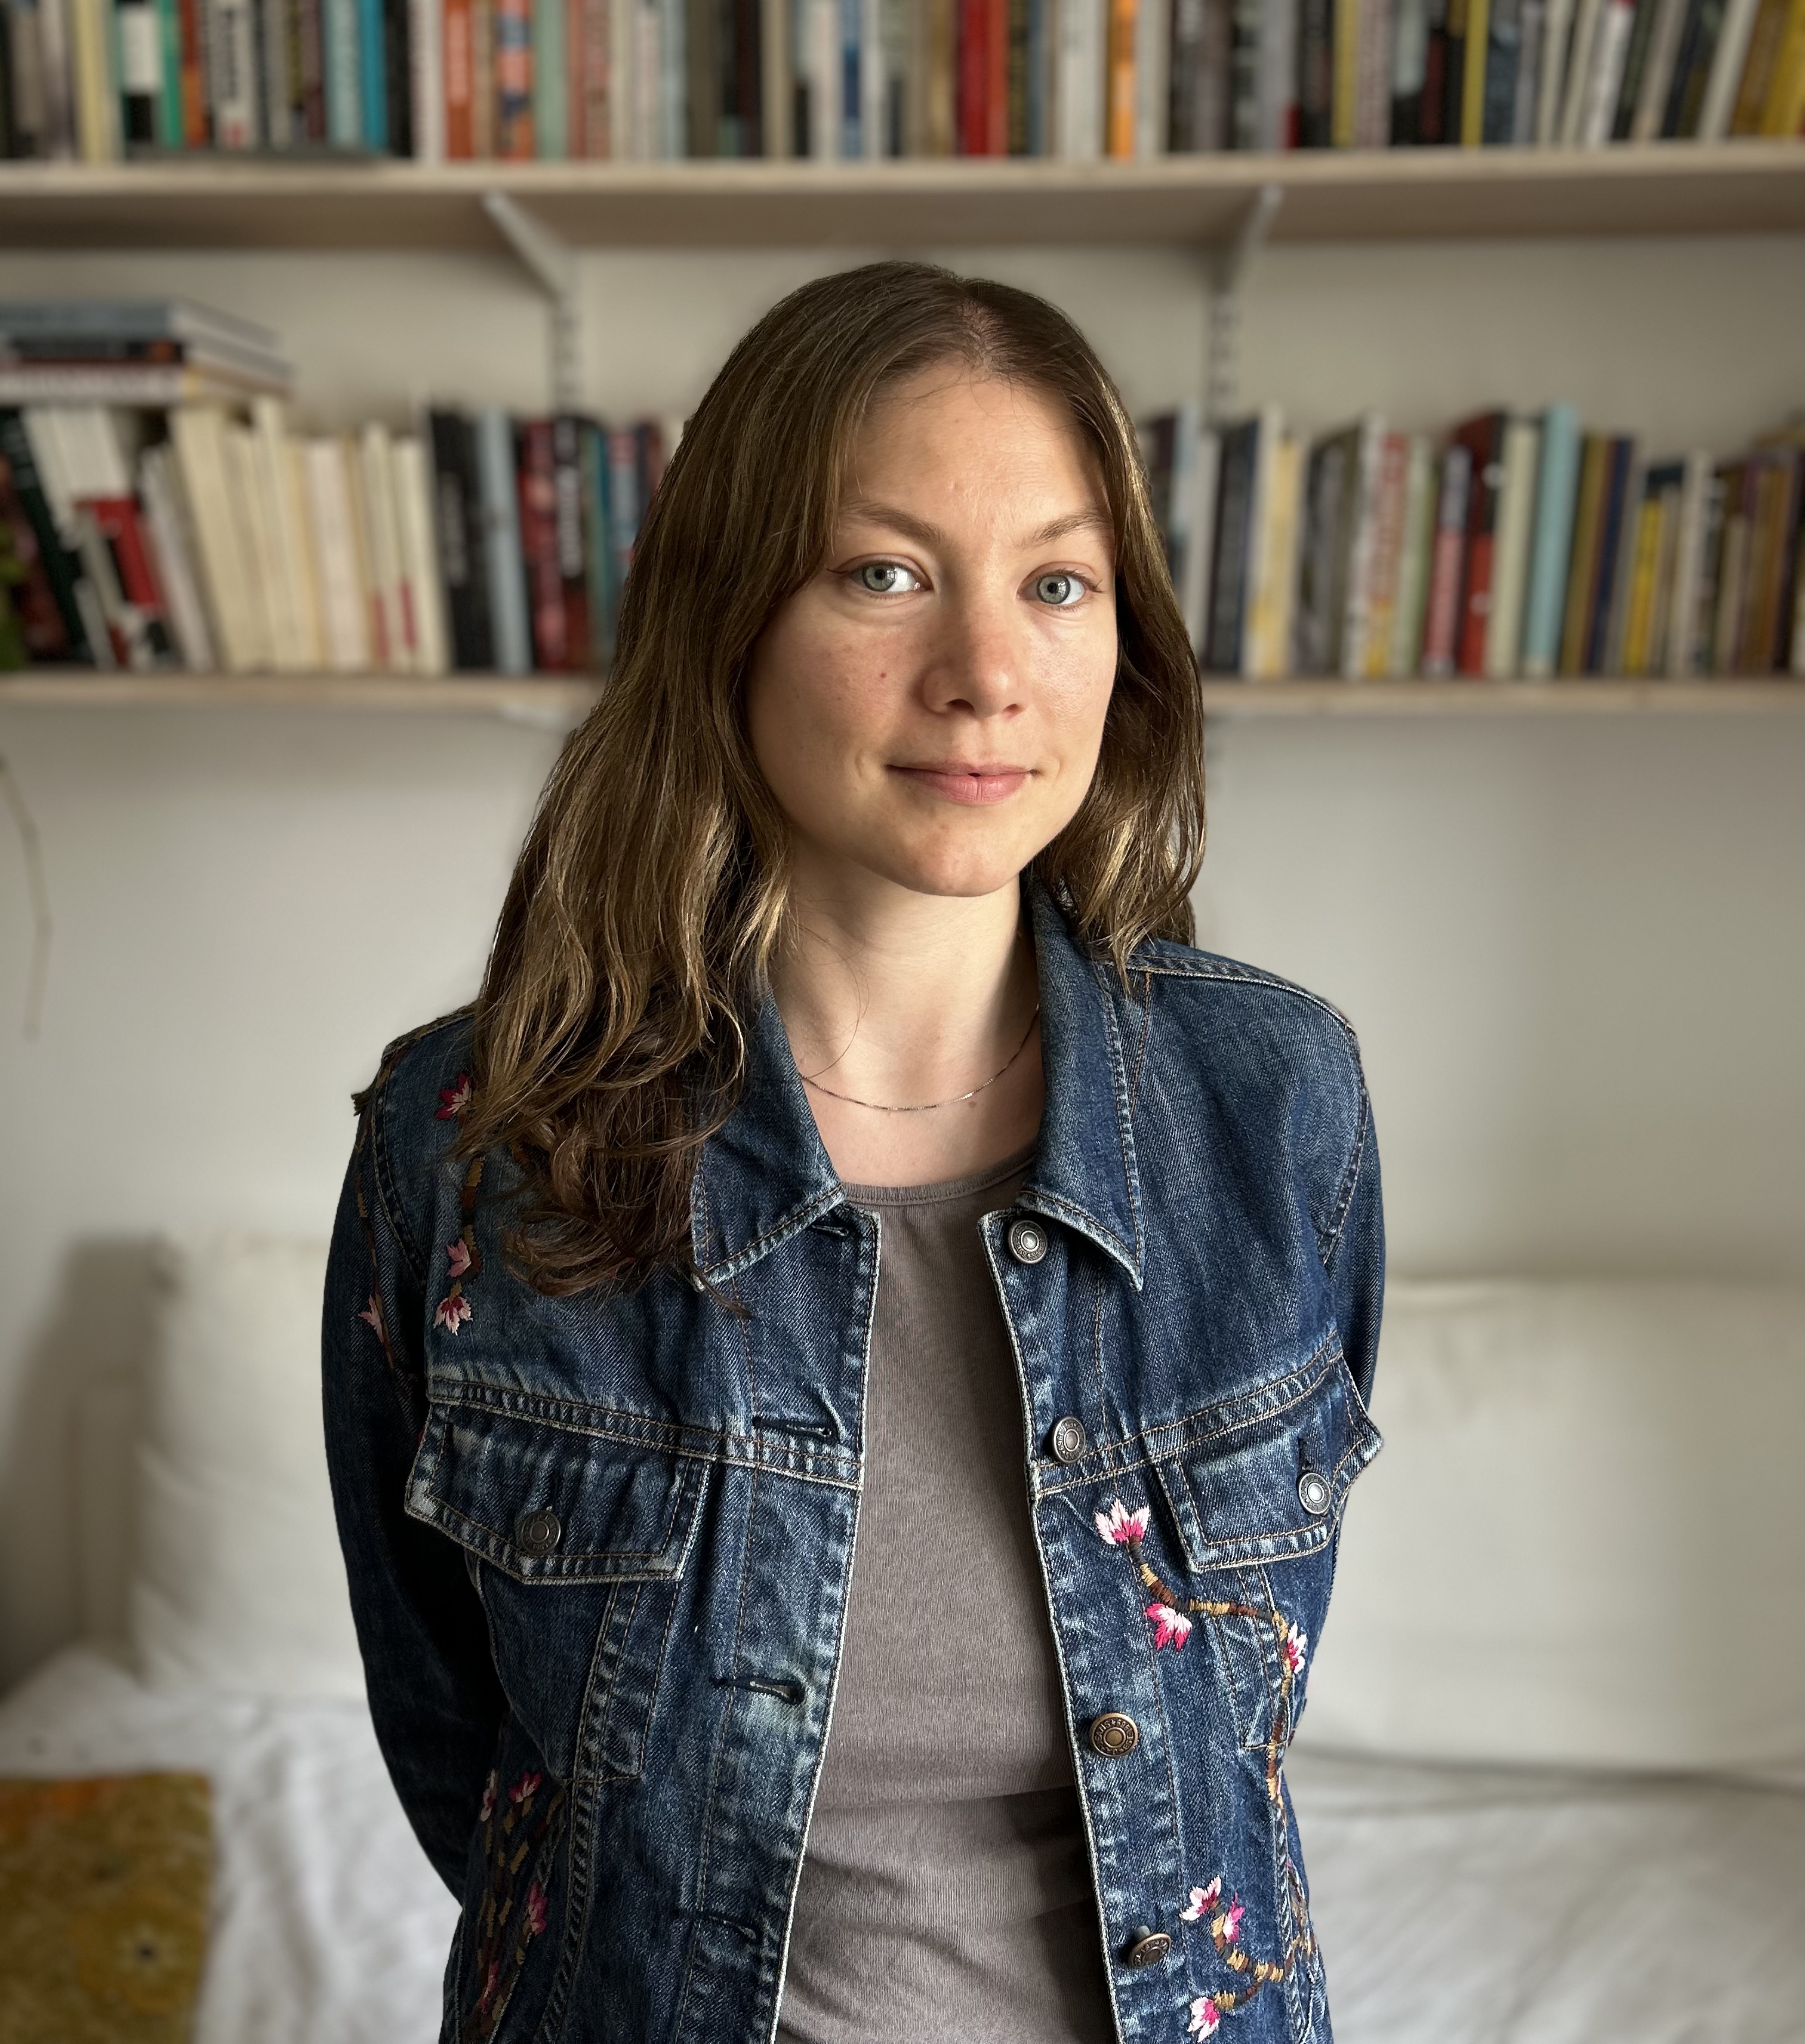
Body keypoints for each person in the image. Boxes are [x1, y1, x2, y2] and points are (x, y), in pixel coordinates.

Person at [323, 261, 1385, 2044]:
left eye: (1058, 583)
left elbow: (1240, 1729)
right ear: (731, 615)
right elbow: (476, 1762)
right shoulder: (473, 1143)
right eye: (885, 574)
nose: (986, 674)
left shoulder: (1274, 1103)